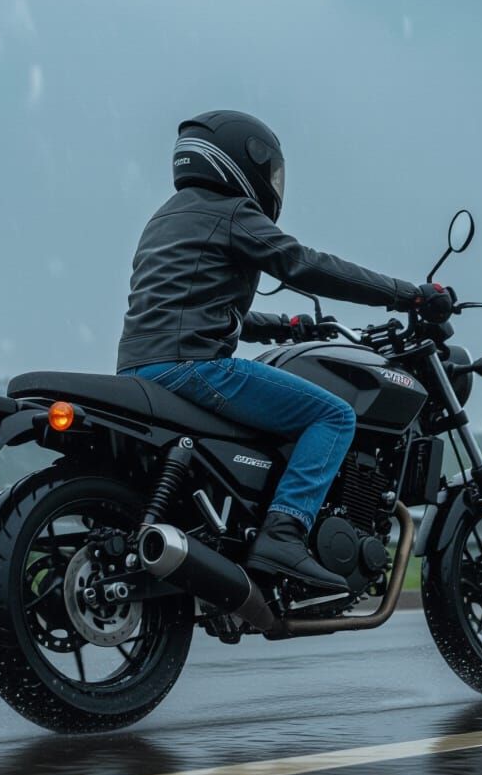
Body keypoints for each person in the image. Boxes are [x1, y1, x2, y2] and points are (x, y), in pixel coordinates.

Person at [118, 110, 453, 592]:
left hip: (144, 368)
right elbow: (305, 265)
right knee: (334, 417)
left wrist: (283, 327)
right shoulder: (231, 212)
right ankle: (284, 532)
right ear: (245, 159)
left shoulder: (165, 219)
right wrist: (408, 294)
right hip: (193, 367)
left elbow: (195, 308)